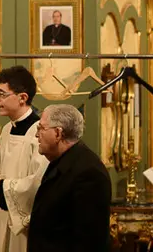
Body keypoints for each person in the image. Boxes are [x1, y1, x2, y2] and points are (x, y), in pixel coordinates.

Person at [0, 65, 48, 252]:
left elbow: (38, 182)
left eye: (1, 94)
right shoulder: (7, 129)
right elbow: (0, 168)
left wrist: (1, 184)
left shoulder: (38, 133)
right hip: (3, 215)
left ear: (22, 98)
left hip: (22, 226)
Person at [28, 104, 111, 252]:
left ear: (58, 133)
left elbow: (89, 241)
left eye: (41, 128)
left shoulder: (88, 173)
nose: (36, 134)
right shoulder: (62, 161)